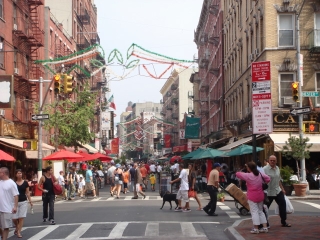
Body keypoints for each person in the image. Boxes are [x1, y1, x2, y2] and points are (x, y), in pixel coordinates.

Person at [236, 162, 271, 234]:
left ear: (249, 168)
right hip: (260, 195)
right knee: (261, 211)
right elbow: (268, 178)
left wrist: (243, 170)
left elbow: (237, 174)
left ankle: (256, 228)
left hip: (252, 196)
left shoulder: (248, 175)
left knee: (254, 212)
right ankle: (265, 227)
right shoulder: (260, 174)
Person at [263, 155, 291, 227]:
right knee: (265, 208)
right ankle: (265, 222)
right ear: (268, 161)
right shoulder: (265, 169)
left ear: (276, 161)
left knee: (283, 205)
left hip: (277, 190)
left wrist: (282, 189)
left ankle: (283, 221)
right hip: (269, 192)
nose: (272, 162)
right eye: (271, 160)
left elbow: (278, 180)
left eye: (274, 160)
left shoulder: (277, 168)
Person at [12, 169, 33, 238]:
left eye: (20, 173)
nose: (19, 174)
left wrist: (30, 201)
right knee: (14, 218)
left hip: (23, 201)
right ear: (16, 175)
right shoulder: (13, 183)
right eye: (18, 173)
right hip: (15, 202)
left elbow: (27, 192)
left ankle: (18, 232)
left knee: (21, 218)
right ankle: (17, 227)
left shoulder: (25, 183)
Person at [0, 167, 19, 240]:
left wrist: (15, 206)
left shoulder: (11, 183)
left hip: (7, 208)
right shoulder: (0, 182)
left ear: (3, 173)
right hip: (0, 207)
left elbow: (16, 195)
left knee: (6, 226)